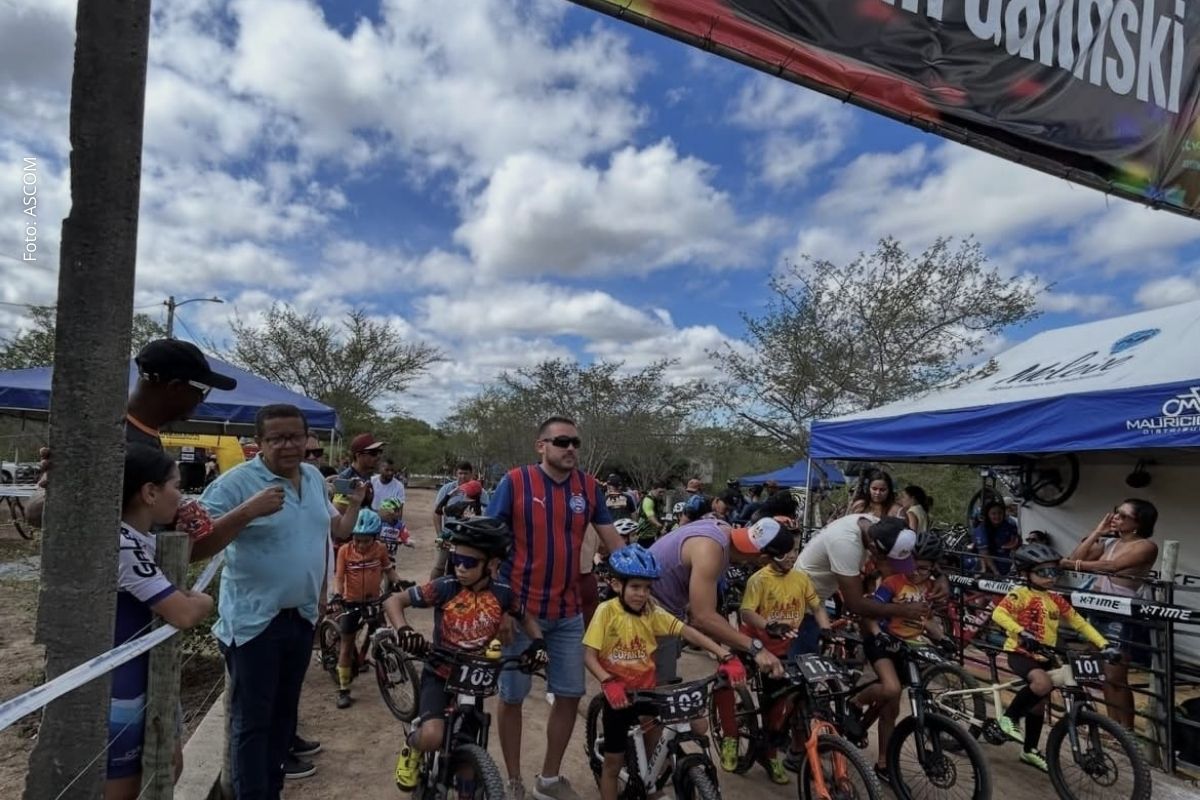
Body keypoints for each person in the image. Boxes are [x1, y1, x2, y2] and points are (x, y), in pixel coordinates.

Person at [199, 404, 358, 794]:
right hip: (254, 624)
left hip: (300, 619)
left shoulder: (314, 478)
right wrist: (247, 511)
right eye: (277, 438)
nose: (288, 446)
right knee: (253, 723)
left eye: (295, 437)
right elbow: (195, 546)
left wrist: (321, 592)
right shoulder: (235, 485)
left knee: (283, 720)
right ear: (259, 443)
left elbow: (329, 532)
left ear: (308, 439)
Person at [488, 416, 625, 800]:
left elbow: (615, 542)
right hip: (519, 612)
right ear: (541, 446)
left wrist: (643, 576)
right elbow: (489, 547)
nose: (570, 449)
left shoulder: (589, 488)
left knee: (569, 694)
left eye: (575, 443)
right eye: (561, 441)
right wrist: (499, 607)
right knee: (512, 695)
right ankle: (514, 779)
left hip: (567, 612)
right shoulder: (515, 482)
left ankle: (547, 779)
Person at [25, 339, 238, 559]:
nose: (202, 401)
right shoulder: (101, 437)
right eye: (203, 391)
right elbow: (36, 512)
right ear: (175, 387)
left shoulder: (147, 436)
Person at [385, 516, 548, 792]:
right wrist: (405, 631)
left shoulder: (504, 593)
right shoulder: (445, 587)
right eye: (456, 558)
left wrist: (539, 644)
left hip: (474, 679)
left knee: (469, 763)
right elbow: (394, 601)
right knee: (433, 736)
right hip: (439, 672)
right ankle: (412, 745)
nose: (460, 567)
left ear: (493, 565)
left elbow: (526, 618)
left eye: (470, 562)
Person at [583, 545, 743, 800]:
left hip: (648, 692)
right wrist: (607, 680)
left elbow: (688, 631)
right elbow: (589, 656)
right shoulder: (606, 612)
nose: (642, 594)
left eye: (647, 588)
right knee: (612, 764)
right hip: (618, 696)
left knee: (693, 726)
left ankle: (650, 784)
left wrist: (725, 654)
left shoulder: (652, 612)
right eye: (635, 587)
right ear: (616, 585)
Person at [107, 445, 215, 800]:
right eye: (176, 486)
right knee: (129, 790)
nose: (181, 497)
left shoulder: (142, 540)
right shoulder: (122, 545)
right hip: (122, 694)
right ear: (150, 492)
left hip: (149, 684)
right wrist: (204, 600)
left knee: (167, 769)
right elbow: (182, 612)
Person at [647, 515, 789, 771]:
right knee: (658, 699)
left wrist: (725, 647)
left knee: (659, 690)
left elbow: (700, 611)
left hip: (667, 608)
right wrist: (755, 648)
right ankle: (645, 766)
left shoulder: (723, 529)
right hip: (650, 610)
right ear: (764, 559)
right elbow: (703, 617)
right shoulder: (711, 550)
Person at [992, 543, 1116, 772]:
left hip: (1046, 654)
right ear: (1026, 573)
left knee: (1039, 705)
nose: (1051, 577)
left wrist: (1104, 644)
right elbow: (999, 613)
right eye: (1043, 572)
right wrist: (1021, 632)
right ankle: (1008, 719)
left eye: (1054, 572)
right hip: (1020, 652)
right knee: (1042, 683)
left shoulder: (1056, 598)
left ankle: (1029, 750)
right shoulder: (1020, 593)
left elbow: (1079, 622)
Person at [857, 532, 955, 785]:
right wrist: (879, 634)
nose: (915, 572)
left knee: (891, 709)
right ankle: (855, 703)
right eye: (912, 565)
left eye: (923, 569)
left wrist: (942, 637)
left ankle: (883, 763)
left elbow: (927, 619)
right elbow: (869, 612)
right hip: (883, 642)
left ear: (934, 568)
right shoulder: (893, 583)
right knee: (890, 688)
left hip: (907, 647)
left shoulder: (930, 588)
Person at [737, 527, 831, 783]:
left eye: (796, 550)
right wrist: (768, 625)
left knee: (801, 696)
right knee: (773, 704)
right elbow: (746, 613)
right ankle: (769, 754)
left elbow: (816, 605)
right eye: (787, 552)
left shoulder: (801, 578)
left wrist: (826, 629)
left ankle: (795, 744)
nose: (792, 556)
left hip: (790, 648)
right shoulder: (759, 579)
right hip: (763, 648)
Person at [1064, 499, 1159, 729]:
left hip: (1119, 614)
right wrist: (1098, 531)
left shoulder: (1146, 545)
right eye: (1116, 512)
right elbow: (1079, 555)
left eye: (1123, 516)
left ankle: (1125, 729)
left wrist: (1068, 563)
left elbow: (1111, 567)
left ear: (1138, 523)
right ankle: (1111, 726)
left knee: (1115, 675)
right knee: (1102, 673)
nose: (1116, 517)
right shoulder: (1109, 543)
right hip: (1097, 610)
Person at [332, 508, 403, 709]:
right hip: (351, 601)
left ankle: (383, 658)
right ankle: (344, 689)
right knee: (346, 646)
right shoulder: (345, 551)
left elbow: (389, 569)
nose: (361, 545)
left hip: (374, 600)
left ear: (375, 537)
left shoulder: (380, 549)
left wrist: (399, 582)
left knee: (382, 630)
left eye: (366, 540)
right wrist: (338, 594)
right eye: (358, 539)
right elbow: (339, 577)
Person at [431, 462, 490, 580]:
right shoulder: (449, 492)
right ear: (456, 474)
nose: (462, 476)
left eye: (466, 473)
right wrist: (440, 535)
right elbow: (437, 512)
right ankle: (430, 592)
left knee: (467, 568)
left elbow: (486, 518)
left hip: (470, 539)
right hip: (450, 535)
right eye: (460, 473)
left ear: (471, 474)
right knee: (439, 566)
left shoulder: (480, 494)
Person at [972, 500, 1020, 575]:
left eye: (1000, 513)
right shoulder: (981, 529)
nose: (997, 516)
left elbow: (1015, 543)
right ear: (988, 515)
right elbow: (984, 554)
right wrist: (996, 572)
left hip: (1007, 563)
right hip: (989, 565)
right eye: (993, 514)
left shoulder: (1010, 525)